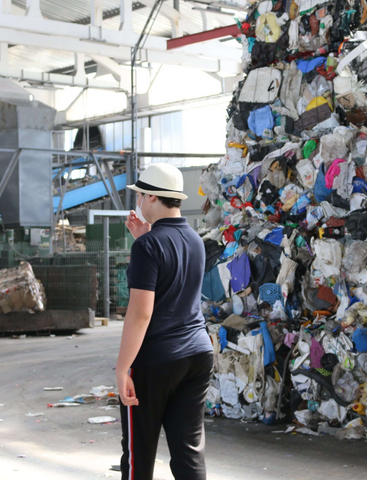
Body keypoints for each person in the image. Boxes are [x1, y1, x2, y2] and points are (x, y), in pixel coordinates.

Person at [115, 163, 214, 480]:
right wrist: (145, 237)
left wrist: (122, 368)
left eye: (140, 195)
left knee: (139, 455)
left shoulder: (146, 246)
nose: (139, 202)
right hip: (198, 355)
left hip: (156, 361)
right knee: (188, 452)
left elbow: (141, 313)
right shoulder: (195, 241)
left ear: (151, 197)